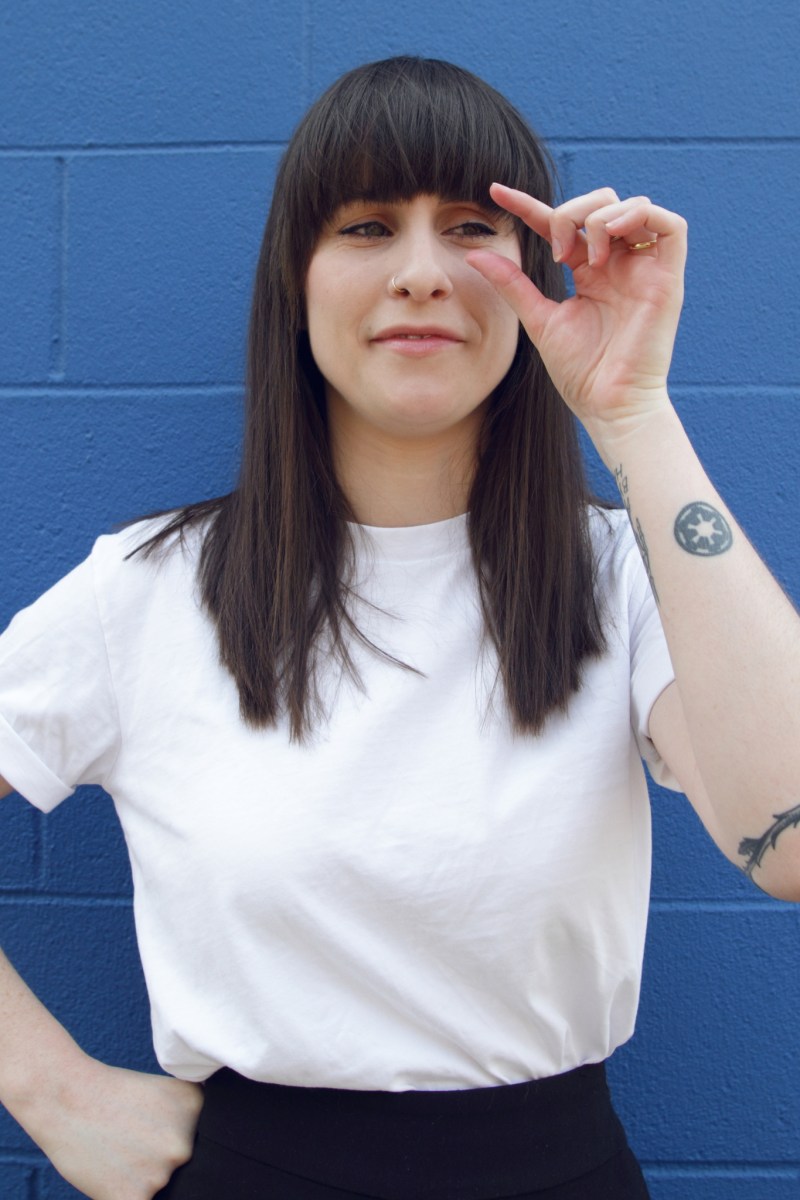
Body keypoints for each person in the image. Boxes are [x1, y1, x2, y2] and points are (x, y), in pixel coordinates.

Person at [0, 54, 798, 1200]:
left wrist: (632, 412)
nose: (421, 274)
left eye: (471, 228)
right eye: (367, 227)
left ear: (531, 274)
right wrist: (51, 1089)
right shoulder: (148, 591)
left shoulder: (622, 579)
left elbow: (789, 845)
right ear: (296, 279)